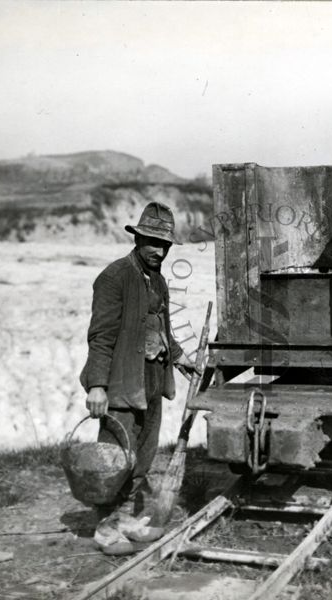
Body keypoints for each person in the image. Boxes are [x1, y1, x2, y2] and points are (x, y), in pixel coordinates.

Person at [79, 201, 196, 552]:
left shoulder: (158, 280)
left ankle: (126, 517)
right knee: (116, 456)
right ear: (137, 238)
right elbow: (100, 337)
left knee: (143, 454)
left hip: (152, 380)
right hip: (121, 381)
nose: (158, 250)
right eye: (152, 242)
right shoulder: (114, 278)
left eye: (164, 245)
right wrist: (97, 385)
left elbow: (161, 327)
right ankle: (104, 527)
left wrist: (179, 358)